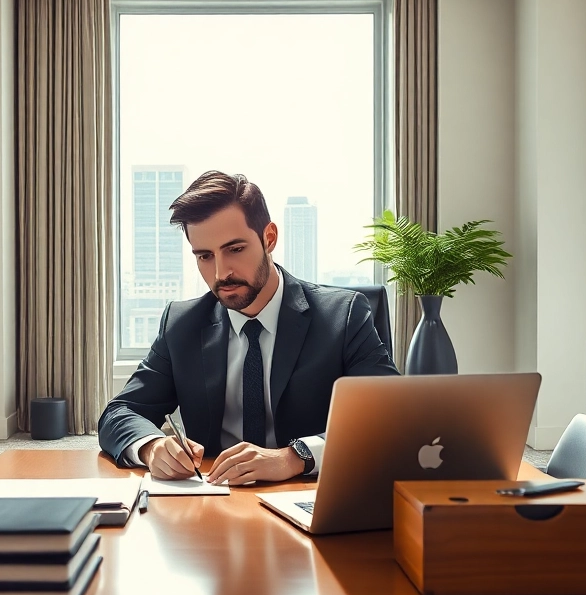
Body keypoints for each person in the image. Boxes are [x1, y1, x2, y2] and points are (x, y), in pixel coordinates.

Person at [98, 170, 398, 485]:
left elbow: (390, 416)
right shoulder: (181, 324)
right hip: (213, 505)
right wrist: (151, 446)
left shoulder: (343, 316)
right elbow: (119, 413)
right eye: (204, 256)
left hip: (311, 496)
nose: (221, 272)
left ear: (269, 238)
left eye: (235, 249)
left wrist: (295, 457)